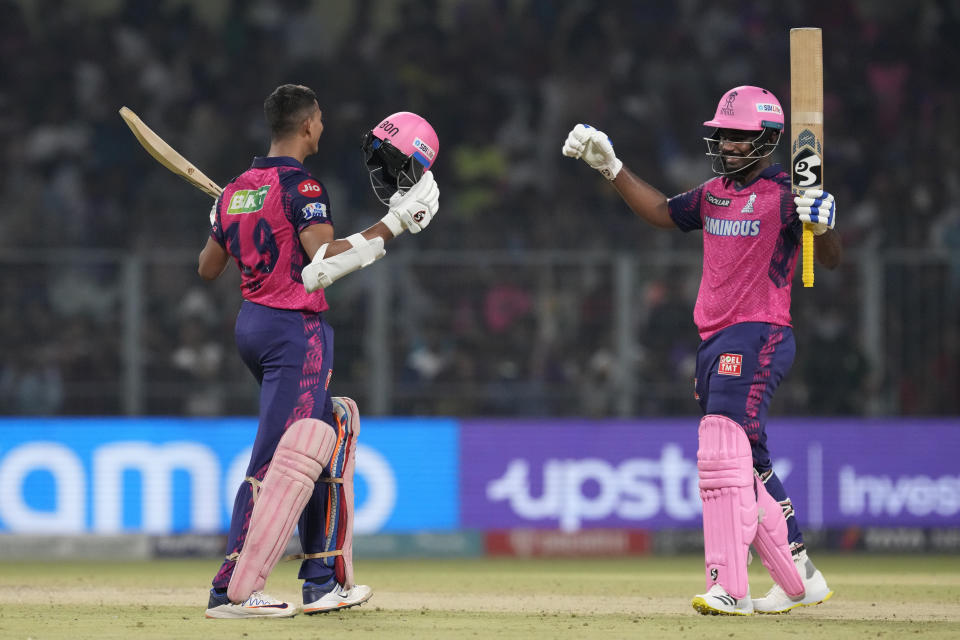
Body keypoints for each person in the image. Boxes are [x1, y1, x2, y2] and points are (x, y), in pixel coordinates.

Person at [563, 85, 841, 616]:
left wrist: (823, 224)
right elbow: (663, 214)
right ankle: (799, 573)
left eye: (741, 138)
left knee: (721, 449)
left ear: (767, 140)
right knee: (747, 461)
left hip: (760, 333)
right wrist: (612, 168)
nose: (730, 146)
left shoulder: (786, 194)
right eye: (724, 136)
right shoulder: (714, 193)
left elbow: (827, 259)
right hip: (713, 340)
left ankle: (729, 585)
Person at [198, 84, 440, 618]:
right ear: (308, 125)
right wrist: (396, 223)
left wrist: (223, 222)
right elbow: (324, 259)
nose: (324, 128)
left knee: (328, 433)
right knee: (278, 460)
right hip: (294, 329)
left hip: (253, 324)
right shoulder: (302, 185)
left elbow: (208, 268)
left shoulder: (238, 188)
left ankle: (320, 580)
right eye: (322, 120)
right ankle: (231, 587)